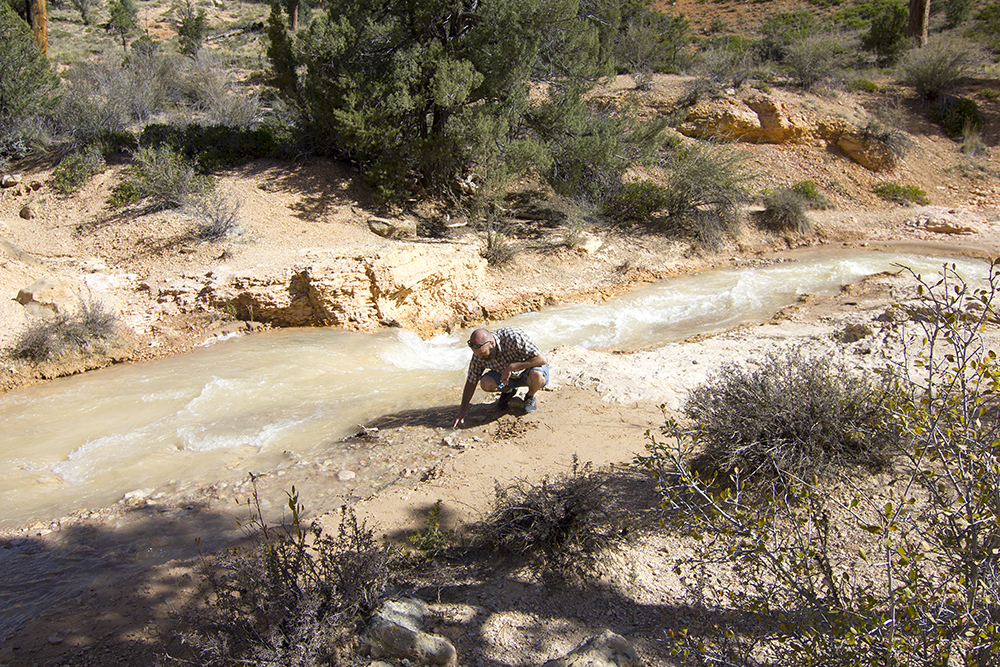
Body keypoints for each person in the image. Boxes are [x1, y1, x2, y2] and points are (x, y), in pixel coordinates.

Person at [452, 326, 549, 428]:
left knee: (537, 375)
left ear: (492, 343)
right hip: (507, 378)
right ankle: (508, 392)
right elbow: (471, 381)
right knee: (485, 382)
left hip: (527, 372)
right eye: (477, 354)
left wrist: (512, 367)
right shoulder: (479, 354)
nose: (480, 357)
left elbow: (541, 359)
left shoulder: (513, 337)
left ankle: (530, 396)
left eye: (483, 353)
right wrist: (462, 410)